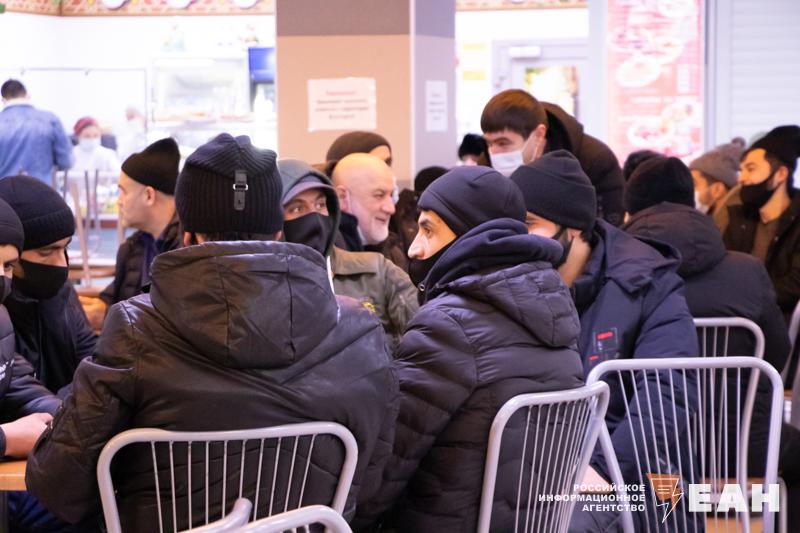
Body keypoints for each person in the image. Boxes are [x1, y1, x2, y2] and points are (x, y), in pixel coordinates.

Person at [25, 133, 398, 530]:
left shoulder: (135, 329)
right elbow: (372, 482)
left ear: (187, 235)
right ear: (277, 233)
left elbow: (57, 483)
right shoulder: (358, 331)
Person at [357, 166, 584, 531]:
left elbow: (383, 470)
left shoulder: (448, 326)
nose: (414, 247)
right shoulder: (556, 311)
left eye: (429, 229)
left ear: (471, 235)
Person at [509, 150, 697, 531]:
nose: (516, 238)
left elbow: (667, 392)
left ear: (574, 228)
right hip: (537, 470)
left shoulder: (648, 282)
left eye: (529, 224)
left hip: (637, 478)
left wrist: (603, 471)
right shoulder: (512, 282)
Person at [623, 154, 791, 477]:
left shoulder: (617, 279)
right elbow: (777, 353)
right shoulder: (748, 271)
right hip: (742, 452)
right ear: (690, 202)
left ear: (631, 211)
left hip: (649, 457)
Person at [279, 159, 418, 346]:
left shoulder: (376, 271)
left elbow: (428, 333)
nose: (314, 217)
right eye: (297, 208)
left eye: (320, 205)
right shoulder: (265, 286)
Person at [0, 176, 96, 394]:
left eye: (65, 248)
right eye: (46, 252)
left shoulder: (61, 293)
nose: (62, 264)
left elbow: (94, 359)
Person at [481, 88, 625, 226]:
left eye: (503, 143)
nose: (494, 152)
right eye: (489, 143)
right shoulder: (485, 166)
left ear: (539, 134)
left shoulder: (594, 160)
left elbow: (610, 230)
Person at [717, 125, 800, 319]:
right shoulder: (739, 219)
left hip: (784, 323)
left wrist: (750, 300)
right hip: (740, 320)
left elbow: (796, 284)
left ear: (780, 174)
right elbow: (724, 272)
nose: (742, 179)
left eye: (751, 169)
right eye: (741, 170)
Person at [97, 138, 181, 308]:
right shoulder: (133, 247)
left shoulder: (187, 251)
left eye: (123, 192)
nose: (119, 201)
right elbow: (111, 304)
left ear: (149, 195)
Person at [331, 153, 409, 270]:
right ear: (342, 197)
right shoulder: (322, 257)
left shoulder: (394, 254)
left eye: (391, 195)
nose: (391, 209)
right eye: (379, 195)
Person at [0, 79, 72, 184]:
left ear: (3, 99)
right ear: (26, 95)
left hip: (4, 191)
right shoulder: (50, 120)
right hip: (41, 189)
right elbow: (66, 161)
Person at [690, 138, 745, 216]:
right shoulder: (712, 219)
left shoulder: (729, 222)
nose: (688, 190)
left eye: (694, 185)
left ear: (718, 190)